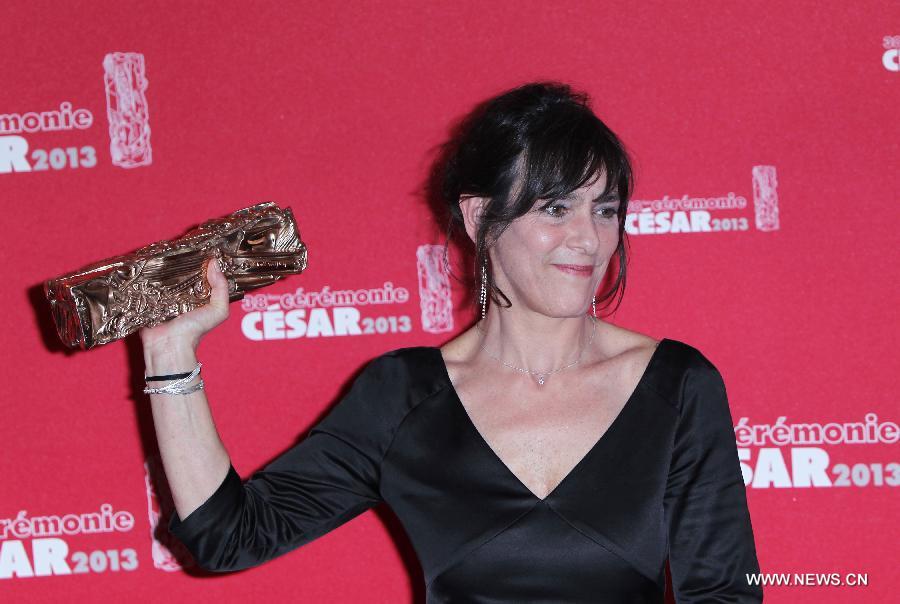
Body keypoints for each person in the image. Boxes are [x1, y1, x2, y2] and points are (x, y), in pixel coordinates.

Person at [140, 81, 763, 603]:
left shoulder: (676, 386)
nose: (588, 239)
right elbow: (228, 538)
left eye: (604, 210)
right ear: (478, 218)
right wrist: (171, 355)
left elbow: (726, 593)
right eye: (555, 209)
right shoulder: (403, 396)